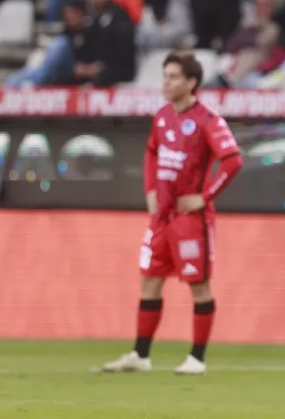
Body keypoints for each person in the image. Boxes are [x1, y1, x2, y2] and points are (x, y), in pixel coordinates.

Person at [101, 51, 244, 375]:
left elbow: (233, 160)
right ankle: (140, 355)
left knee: (199, 286)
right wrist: (150, 190)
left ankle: (197, 358)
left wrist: (204, 197)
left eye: (174, 77)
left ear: (192, 82)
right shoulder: (162, 116)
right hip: (161, 217)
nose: (166, 83)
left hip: (190, 220)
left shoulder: (208, 119)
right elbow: (152, 151)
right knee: (149, 282)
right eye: (165, 76)